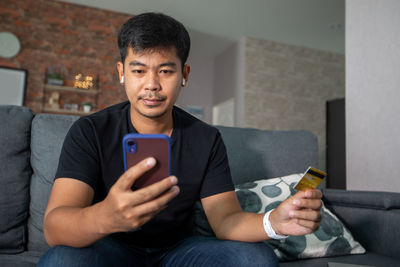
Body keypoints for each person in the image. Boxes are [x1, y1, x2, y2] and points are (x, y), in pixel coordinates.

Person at [38, 12, 322, 267]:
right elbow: (54, 227)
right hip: (109, 246)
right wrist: (106, 216)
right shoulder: (89, 130)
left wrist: (273, 223)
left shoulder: (206, 139)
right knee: (61, 260)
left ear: (184, 75)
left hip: (179, 251)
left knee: (255, 259)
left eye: (165, 70)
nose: (151, 84)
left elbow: (226, 221)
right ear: (121, 73)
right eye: (138, 70)